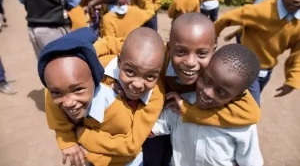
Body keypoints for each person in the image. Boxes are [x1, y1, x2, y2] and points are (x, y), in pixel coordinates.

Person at [97, 13, 261, 166]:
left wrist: (189, 112)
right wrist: (117, 77)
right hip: (159, 122)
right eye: (181, 51)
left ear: (213, 50)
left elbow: (250, 114)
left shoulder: (218, 77)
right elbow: (119, 45)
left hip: (179, 124)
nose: (190, 62)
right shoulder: (156, 57)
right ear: (168, 48)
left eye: (202, 53)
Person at [40, 27, 166, 166]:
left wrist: (80, 136)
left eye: (150, 76)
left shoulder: (156, 96)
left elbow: (131, 146)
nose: (137, 84)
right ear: (119, 62)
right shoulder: (99, 65)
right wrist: (65, 138)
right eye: (130, 72)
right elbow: (56, 83)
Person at [151, 44, 263, 166]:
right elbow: (152, 128)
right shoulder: (180, 103)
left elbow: (250, 162)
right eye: (206, 80)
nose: (207, 92)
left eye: (221, 92)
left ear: (237, 96)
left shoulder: (243, 127)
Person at [214, 0, 300, 105]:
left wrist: (293, 79)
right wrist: (210, 41)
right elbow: (226, 18)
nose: (297, 0)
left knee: (240, 100)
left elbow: (298, 53)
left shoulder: (298, 23)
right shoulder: (263, 10)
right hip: (246, 66)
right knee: (252, 106)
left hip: (266, 70)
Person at [17, 0, 87, 58]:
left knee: (45, 67)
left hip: (33, 27)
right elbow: (74, 1)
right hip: (54, 26)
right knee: (62, 66)